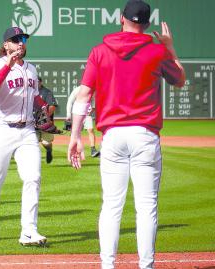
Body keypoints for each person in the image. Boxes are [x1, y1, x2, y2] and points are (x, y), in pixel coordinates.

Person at [67, 1, 185, 268]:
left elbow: (84, 96)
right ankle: (146, 265)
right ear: (147, 24)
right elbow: (179, 79)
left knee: (111, 206)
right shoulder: (156, 51)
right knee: (146, 208)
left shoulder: (99, 51)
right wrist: (169, 47)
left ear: (122, 19)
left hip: (113, 136)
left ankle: (107, 265)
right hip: (144, 135)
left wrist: (75, 135)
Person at [0, 27, 48, 245]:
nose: (20, 43)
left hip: (27, 130)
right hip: (1, 130)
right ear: (6, 45)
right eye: (15, 40)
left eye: (23, 39)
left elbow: (34, 96)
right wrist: (7, 66)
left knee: (33, 178)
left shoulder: (31, 69)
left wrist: (44, 109)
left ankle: (28, 230)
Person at [66, 85, 100, 157]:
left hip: (87, 114)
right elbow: (70, 101)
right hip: (76, 114)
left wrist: (91, 110)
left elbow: (93, 104)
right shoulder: (77, 90)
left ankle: (93, 150)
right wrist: (68, 114)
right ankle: (74, 149)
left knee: (90, 130)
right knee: (76, 133)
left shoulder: (92, 91)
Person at [36, 76, 58, 164]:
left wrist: (44, 117)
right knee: (32, 142)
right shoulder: (30, 91)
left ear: (41, 82)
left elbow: (52, 106)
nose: (36, 83)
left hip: (45, 123)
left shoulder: (47, 92)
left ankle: (49, 150)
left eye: (37, 81)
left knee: (46, 142)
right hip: (33, 121)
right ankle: (35, 161)